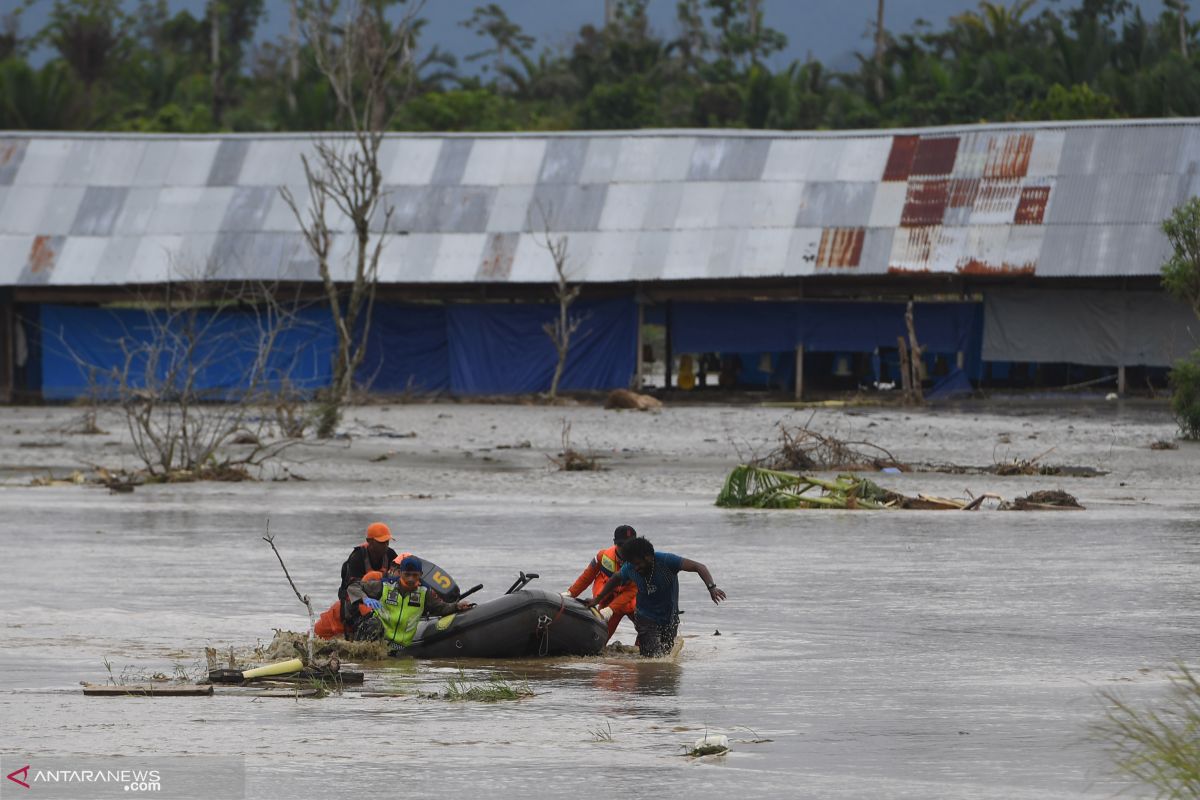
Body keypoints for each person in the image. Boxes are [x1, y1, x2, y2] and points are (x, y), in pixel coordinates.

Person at [584, 537, 725, 657]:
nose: (636, 569)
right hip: (645, 616)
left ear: (649, 557)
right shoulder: (630, 568)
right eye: (633, 565)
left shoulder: (666, 561)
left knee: (666, 655)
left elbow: (698, 566)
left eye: (638, 564)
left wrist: (712, 588)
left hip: (670, 616)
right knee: (652, 658)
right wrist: (597, 599)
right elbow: (615, 578)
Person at [347, 555, 475, 647]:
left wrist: (457, 606)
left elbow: (441, 608)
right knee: (373, 623)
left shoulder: (425, 592)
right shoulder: (385, 585)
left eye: (414, 575)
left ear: (420, 574)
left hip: (402, 647)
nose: (410, 579)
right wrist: (365, 598)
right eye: (407, 574)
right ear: (400, 573)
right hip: (378, 640)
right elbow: (353, 586)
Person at [564, 524, 639, 641]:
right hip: (607, 597)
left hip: (631, 600)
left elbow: (632, 590)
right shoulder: (603, 556)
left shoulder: (641, 562)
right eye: (621, 545)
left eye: (629, 545)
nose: (625, 549)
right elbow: (587, 576)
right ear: (615, 543)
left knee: (646, 625)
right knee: (599, 638)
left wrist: (611, 609)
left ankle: (642, 653)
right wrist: (570, 593)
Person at [337, 522, 398, 637]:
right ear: (369, 541)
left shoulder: (391, 554)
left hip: (381, 598)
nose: (385, 545)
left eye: (387, 542)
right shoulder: (357, 557)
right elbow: (351, 587)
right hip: (356, 599)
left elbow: (401, 576)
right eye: (381, 542)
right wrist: (365, 599)